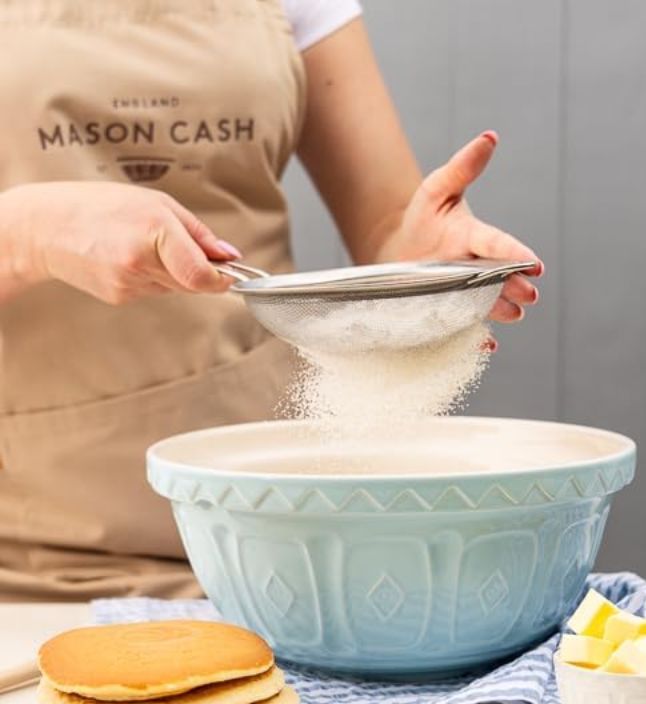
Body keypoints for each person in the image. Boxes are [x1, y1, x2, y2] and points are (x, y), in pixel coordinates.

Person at [0, 0, 542, 601]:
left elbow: (387, 222)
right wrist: (27, 235)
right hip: (29, 562)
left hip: (275, 532)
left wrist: (424, 256)